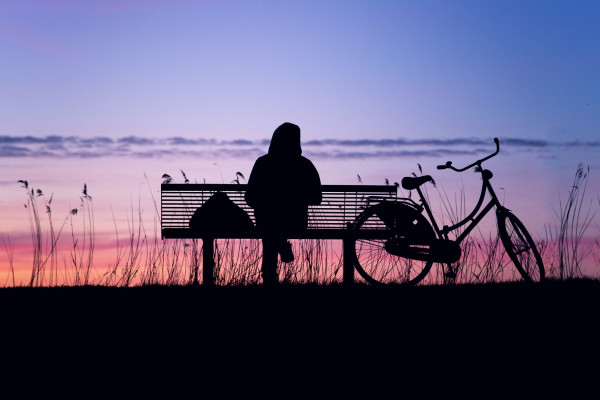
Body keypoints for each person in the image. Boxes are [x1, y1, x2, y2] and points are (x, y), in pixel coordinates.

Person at [245, 122, 322, 285]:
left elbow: (249, 197)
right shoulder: (304, 164)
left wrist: (269, 200)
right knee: (272, 228)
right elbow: (317, 197)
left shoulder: (263, 162)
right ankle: (280, 244)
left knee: (269, 229)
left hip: (267, 222)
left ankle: (269, 277)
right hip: (296, 221)